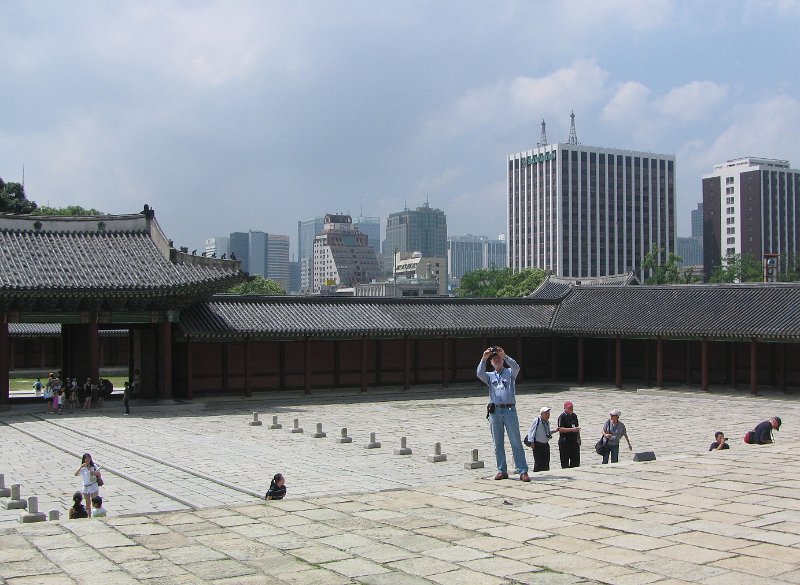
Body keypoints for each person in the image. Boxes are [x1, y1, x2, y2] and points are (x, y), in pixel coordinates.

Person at [476, 346, 530, 482]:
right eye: (494, 359)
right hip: (495, 411)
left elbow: (517, 366)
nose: (497, 360)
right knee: (498, 442)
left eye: (498, 358)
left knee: (516, 441)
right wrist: (484, 358)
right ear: (492, 363)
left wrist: (505, 355)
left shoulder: (510, 372)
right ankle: (501, 469)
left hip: (510, 410)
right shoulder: (489, 376)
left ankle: (522, 470)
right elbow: (479, 373)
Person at [526, 407, 553, 472]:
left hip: (545, 444)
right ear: (541, 414)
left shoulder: (547, 422)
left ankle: (546, 474)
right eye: (546, 413)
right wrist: (531, 442)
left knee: (546, 462)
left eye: (548, 413)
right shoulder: (537, 420)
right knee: (538, 463)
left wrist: (554, 431)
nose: (548, 415)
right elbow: (532, 431)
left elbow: (547, 432)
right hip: (538, 445)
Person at [74, 453, 101, 517]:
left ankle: (96, 514)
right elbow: (76, 474)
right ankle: (89, 516)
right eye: (86, 458)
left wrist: (93, 472)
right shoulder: (83, 468)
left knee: (95, 501)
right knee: (87, 503)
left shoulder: (94, 466)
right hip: (86, 487)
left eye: (88, 458)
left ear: (90, 459)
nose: (87, 460)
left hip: (93, 486)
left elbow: (99, 474)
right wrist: (81, 467)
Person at [556, 401, 581, 468]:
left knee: (576, 462)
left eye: (572, 407)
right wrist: (571, 429)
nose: (571, 409)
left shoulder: (574, 416)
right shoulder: (562, 417)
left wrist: (579, 438)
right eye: (569, 408)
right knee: (565, 463)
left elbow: (577, 427)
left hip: (574, 441)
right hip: (565, 442)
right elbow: (560, 429)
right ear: (565, 408)